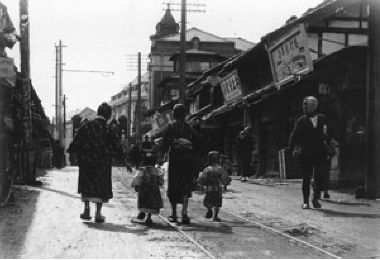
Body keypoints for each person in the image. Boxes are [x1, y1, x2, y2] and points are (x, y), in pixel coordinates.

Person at [67, 102, 125, 223]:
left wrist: (72, 151)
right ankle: (98, 213)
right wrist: (122, 158)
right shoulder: (108, 129)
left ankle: (86, 210)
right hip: (102, 163)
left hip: (86, 162)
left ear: (98, 113)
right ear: (108, 116)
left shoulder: (86, 126)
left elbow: (76, 142)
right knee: (100, 186)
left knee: (87, 184)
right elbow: (117, 146)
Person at [289, 96, 332, 209]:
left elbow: (329, 134)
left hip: (320, 152)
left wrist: (329, 142)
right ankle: (305, 201)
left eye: (305, 104)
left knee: (320, 176)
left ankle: (316, 198)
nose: (304, 107)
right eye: (303, 104)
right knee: (306, 178)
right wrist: (293, 148)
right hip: (306, 153)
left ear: (313, 106)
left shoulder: (323, 119)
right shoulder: (301, 120)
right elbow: (294, 136)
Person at [161, 104, 198, 224]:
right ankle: (185, 212)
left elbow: (164, 144)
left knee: (174, 186)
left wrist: (163, 153)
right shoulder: (189, 128)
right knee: (185, 186)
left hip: (175, 160)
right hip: (187, 160)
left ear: (174, 114)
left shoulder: (170, 127)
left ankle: (173, 213)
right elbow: (198, 142)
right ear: (185, 114)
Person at [131, 149, 164, 226]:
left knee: (144, 203)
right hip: (154, 192)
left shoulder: (142, 171)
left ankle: (142, 212)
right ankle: (148, 217)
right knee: (151, 205)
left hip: (144, 192)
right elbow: (161, 182)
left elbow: (136, 181)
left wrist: (137, 187)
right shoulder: (156, 171)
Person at [197, 151, 230, 222]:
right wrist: (225, 184)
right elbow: (225, 178)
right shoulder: (220, 169)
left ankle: (209, 209)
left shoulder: (207, 169)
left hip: (209, 189)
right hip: (218, 189)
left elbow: (202, 179)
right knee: (217, 203)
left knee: (207, 201)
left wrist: (201, 186)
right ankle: (215, 216)